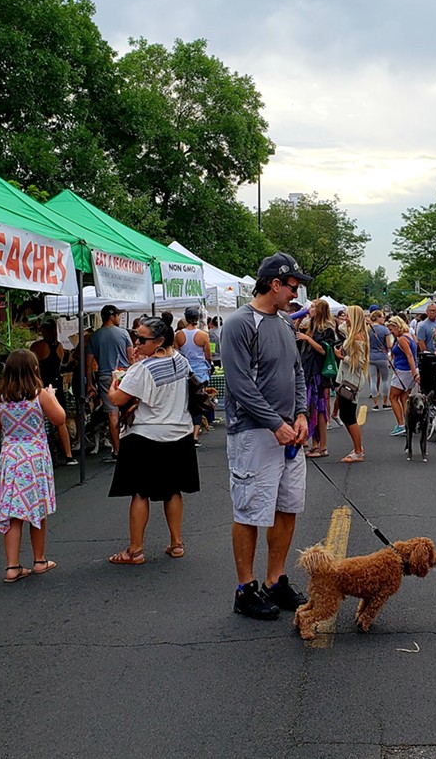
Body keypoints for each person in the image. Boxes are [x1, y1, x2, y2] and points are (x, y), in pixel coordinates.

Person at [219, 252, 311, 621]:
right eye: (292, 287)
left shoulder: (286, 324)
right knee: (250, 511)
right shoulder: (240, 324)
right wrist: (275, 423)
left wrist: (302, 414)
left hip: (287, 431)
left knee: (287, 507)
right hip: (254, 434)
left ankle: (275, 579)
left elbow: (297, 372)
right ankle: (246, 587)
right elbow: (240, 384)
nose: (296, 294)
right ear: (275, 284)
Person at [104, 317, 200, 564]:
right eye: (136, 336)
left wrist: (113, 385)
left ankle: (135, 550)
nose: (137, 342)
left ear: (159, 340)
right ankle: (176, 543)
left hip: (146, 435)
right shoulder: (181, 361)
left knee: (140, 492)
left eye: (142, 339)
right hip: (179, 432)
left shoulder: (142, 370)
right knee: (173, 490)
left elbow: (118, 399)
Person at [0, 348, 65, 583]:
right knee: (37, 509)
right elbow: (59, 418)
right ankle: (39, 560)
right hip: (34, 456)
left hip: (10, 457)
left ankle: (12, 566)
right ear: (34, 369)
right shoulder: (38, 394)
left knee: (13, 513)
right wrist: (51, 395)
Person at [86, 304, 131, 462]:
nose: (119, 318)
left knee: (112, 414)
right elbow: (131, 356)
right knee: (129, 409)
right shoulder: (123, 333)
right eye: (118, 315)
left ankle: (118, 450)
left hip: (105, 377)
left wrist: (90, 383)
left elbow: (89, 362)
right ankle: (131, 445)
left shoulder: (95, 336)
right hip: (124, 375)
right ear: (112, 316)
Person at [294, 299, 337, 457]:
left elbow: (325, 351)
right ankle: (314, 444)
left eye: (313, 307)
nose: (309, 309)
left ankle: (323, 446)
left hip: (318, 374)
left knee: (320, 409)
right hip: (307, 371)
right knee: (310, 408)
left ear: (320, 310)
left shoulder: (327, 329)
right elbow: (295, 338)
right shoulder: (310, 326)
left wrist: (308, 339)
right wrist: (298, 321)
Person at [32, 318, 76, 464]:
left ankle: (47, 451)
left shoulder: (38, 346)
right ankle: (68, 454)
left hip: (44, 386)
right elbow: (62, 362)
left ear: (43, 330)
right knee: (60, 421)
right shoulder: (59, 346)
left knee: (41, 420)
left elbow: (33, 365)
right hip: (57, 383)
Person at [333, 305, 371, 462]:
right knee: (346, 413)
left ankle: (358, 450)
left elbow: (359, 362)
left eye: (347, 315)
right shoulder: (354, 333)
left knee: (349, 415)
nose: (344, 318)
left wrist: (342, 357)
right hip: (347, 377)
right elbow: (341, 327)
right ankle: (358, 448)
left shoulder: (358, 337)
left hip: (352, 379)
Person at [176, 306, 214, 440]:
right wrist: (209, 366)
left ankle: (187, 429)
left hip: (185, 371)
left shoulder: (179, 335)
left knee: (186, 401)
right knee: (198, 402)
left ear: (186, 318)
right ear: (197, 319)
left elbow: (177, 354)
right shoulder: (203, 335)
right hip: (201, 372)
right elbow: (208, 356)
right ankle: (196, 433)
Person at [385, 315, 419, 436]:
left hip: (404, 371)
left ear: (397, 326)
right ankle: (407, 424)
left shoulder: (402, 339)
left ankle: (400, 424)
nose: (391, 332)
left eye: (391, 329)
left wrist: (414, 372)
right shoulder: (408, 336)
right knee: (404, 398)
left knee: (393, 397)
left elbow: (409, 356)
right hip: (408, 370)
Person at [367, 310, 391, 411]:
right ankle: (385, 403)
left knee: (373, 379)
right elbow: (389, 345)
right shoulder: (385, 330)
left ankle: (375, 404)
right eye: (382, 317)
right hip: (382, 356)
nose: (383, 319)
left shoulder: (368, 329)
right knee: (385, 380)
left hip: (371, 356)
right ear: (377, 318)